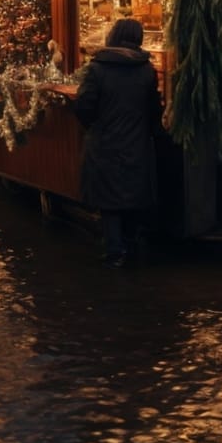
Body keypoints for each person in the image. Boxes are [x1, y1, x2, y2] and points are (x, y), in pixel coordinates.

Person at [74, 19, 162, 268]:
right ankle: (132, 244)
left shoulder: (97, 69)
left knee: (108, 200)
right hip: (137, 141)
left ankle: (115, 252)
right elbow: (153, 109)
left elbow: (84, 106)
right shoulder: (146, 70)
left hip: (105, 142)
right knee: (132, 194)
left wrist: (95, 127)